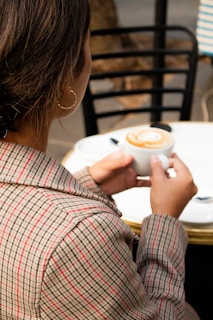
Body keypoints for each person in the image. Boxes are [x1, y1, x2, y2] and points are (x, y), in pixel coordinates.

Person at [0, 1, 200, 319]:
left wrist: (85, 185)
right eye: (87, 41)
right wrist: (165, 220)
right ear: (67, 76)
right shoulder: (83, 237)